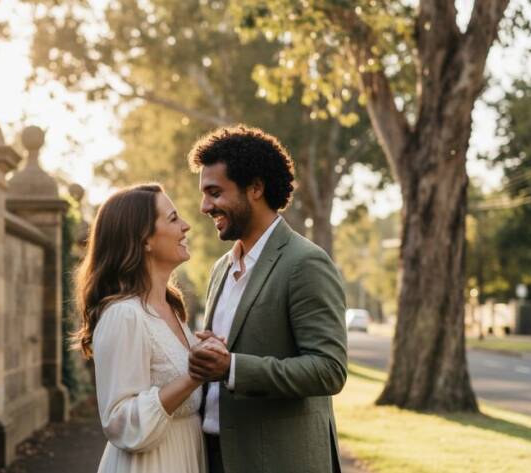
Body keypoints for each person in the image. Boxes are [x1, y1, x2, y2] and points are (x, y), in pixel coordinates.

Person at [186, 125, 348, 473]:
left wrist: (233, 368)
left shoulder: (305, 263)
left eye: (215, 192)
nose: (204, 206)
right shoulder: (221, 268)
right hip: (214, 457)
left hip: (278, 460)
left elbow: (329, 370)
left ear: (255, 188)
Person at [75, 183, 222, 473]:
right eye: (173, 218)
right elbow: (119, 422)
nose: (186, 226)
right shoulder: (124, 315)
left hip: (187, 456)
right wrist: (194, 376)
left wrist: (208, 353)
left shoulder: (173, 309)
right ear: (144, 240)